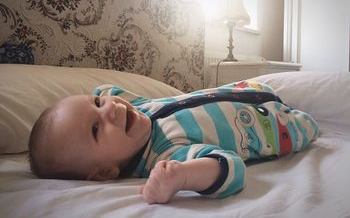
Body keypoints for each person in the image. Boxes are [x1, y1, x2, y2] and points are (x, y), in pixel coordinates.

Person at [29, 81, 319, 204]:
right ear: (105, 173)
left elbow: (110, 91)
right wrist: (182, 176)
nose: (110, 109)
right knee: (311, 127)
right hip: (280, 126)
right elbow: (229, 167)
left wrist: (100, 96)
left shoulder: (137, 107)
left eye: (97, 103)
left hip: (248, 90)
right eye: (95, 129)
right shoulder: (166, 154)